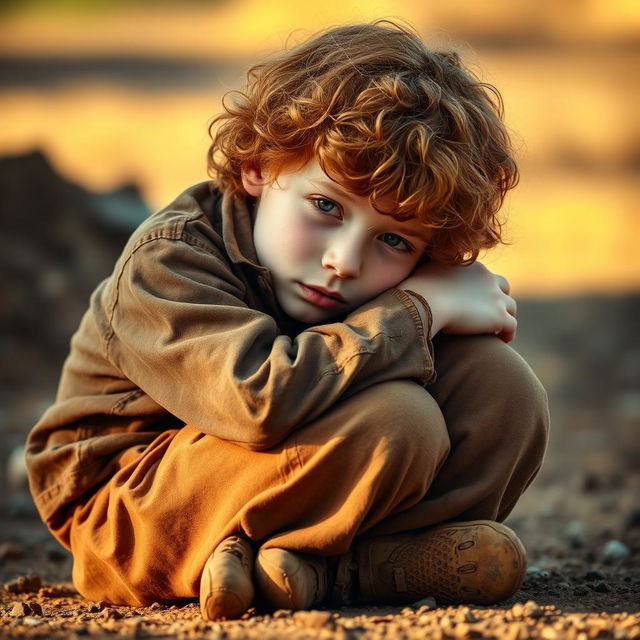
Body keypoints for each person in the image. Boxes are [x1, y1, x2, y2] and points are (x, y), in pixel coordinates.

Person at [25, 20, 549, 620]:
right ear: (258, 166)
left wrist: (421, 311)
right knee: (399, 421)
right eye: (326, 207)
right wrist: (419, 310)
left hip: (287, 462)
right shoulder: (168, 260)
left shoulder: (357, 273)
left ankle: (324, 566)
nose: (344, 262)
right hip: (131, 508)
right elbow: (257, 399)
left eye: (396, 241)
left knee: (502, 389)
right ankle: (342, 571)